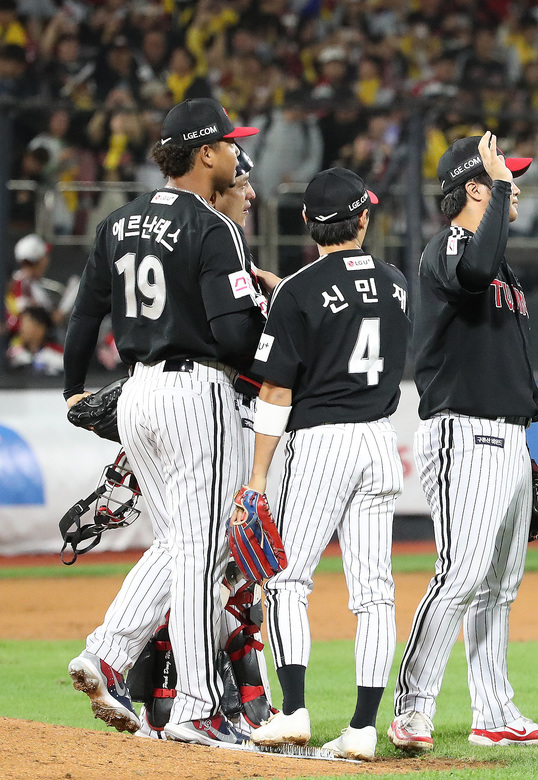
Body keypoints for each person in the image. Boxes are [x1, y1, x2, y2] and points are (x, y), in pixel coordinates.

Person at [63, 97, 265, 748]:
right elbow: (235, 334)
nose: (237, 154)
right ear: (205, 154)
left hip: (136, 392)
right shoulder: (213, 227)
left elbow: (84, 313)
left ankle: (108, 654)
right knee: (201, 552)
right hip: (195, 392)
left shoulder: (117, 222)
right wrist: (274, 347)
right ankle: (198, 708)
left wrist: (72, 389)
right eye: (230, 144)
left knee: (182, 543)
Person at [389, 133, 538, 752]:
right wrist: (494, 196)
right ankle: (412, 710)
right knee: (460, 574)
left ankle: (495, 713)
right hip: (464, 432)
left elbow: (504, 356)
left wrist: (527, 443)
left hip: (506, 436)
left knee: (498, 586)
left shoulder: (499, 259)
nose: (516, 187)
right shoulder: (449, 247)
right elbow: (475, 270)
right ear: (475, 187)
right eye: (503, 178)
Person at [240, 168, 409, 760]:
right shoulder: (395, 283)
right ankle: (364, 727)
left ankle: (292, 713)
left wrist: (258, 477)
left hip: (321, 446)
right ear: (363, 219)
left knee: (286, 579)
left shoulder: (298, 293)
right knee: (375, 592)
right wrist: (294, 293)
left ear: (309, 223)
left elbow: (276, 393)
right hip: (380, 441)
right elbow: (349, 307)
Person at [7, 305, 63, 373]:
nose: (20, 329)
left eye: (24, 324)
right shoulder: (13, 355)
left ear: (40, 329)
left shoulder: (57, 355)